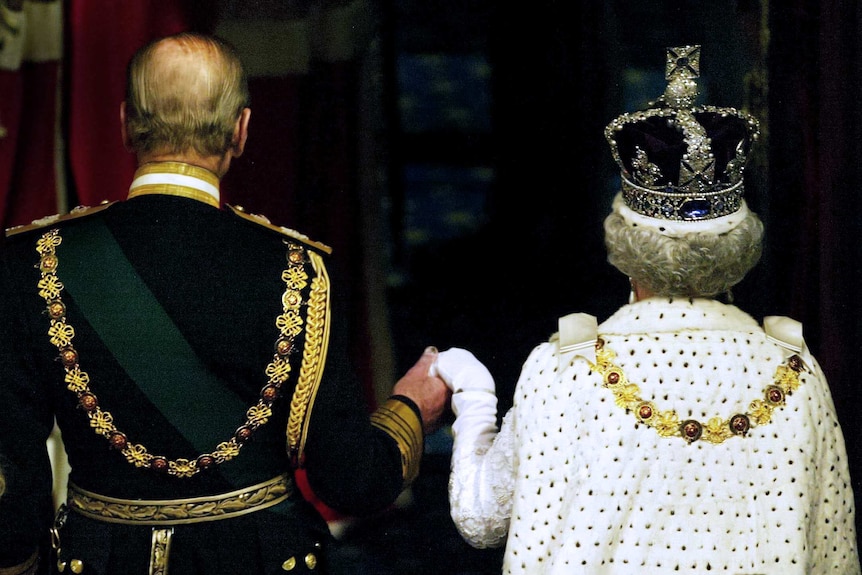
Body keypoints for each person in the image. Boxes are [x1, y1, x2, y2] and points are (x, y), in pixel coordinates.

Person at [0, 32, 449, 574]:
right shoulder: (296, 270)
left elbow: (11, 496)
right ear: (241, 130)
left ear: (125, 123)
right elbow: (353, 479)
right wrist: (411, 408)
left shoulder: (36, 262)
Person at [436, 45, 861, 573]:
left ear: (624, 245)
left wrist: (473, 395)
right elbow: (834, 558)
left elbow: (480, 518)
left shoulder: (562, 369)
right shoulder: (797, 373)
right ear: (741, 246)